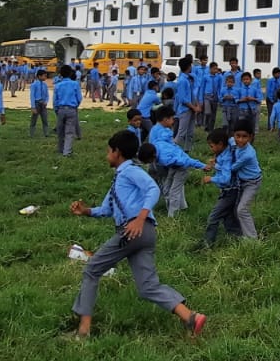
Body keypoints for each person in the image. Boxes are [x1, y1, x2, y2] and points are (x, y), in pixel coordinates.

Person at [67, 130, 206, 339]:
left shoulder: (131, 171)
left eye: (108, 151)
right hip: (144, 234)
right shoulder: (120, 178)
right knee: (147, 286)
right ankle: (190, 317)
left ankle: (83, 331)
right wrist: (86, 211)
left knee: (92, 270)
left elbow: (153, 189)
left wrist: (140, 218)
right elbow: (107, 208)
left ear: (117, 152)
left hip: (133, 231)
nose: (107, 155)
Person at [205, 121, 261, 241]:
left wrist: (216, 166)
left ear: (251, 137)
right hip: (239, 181)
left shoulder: (248, 154)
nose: (240, 140)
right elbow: (225, 147)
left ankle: (252, 240)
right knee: (234, 209)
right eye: (237, 136)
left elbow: (231, 169)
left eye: (244, 136)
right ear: (233, 135)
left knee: (242, 210)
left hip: (252, 182)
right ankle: (238, 234)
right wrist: (218, 158)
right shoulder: (231, 141)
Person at [147, 106, 205, 217]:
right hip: (163, 163)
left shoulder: (156, 129)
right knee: (169, 186)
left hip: (162, 161)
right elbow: (169, 148)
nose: (173, 121)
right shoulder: (164, 132)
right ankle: (172, 211)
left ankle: (180, 207)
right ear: (165, 119)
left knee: (172, 185)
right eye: (172, 119)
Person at [53, 67, 82, 157]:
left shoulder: (58, 85)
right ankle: (67, 151)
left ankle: (60, 149)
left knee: (60, 131)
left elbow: (55, 100)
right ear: (70, 73)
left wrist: (56, 110)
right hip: (71, 109)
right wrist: (75, 106)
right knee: (69, 131)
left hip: (60, 109)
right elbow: (79, 98)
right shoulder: (75, 84)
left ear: (61, 74)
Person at [28, 70, 51, 138]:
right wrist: (33, 107)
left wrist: (46, 101)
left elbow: (47, 95)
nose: (45, 77)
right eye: (44, 76)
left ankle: (46, 133)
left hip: (43, 104)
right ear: (39, 76)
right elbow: (32, 96)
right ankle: (31, 133)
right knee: (34, 120)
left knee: (45, 119)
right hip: (37, 103)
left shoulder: (45, 85)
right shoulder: (34, 85)